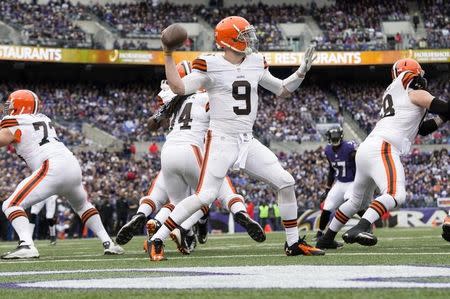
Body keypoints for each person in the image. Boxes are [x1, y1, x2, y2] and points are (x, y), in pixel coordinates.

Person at [148, 16, 324, 261]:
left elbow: (282, 90)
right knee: (205, 196)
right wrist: (168, 55)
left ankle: (293, 243)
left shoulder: (255, 61)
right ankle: (158, 238)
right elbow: (178, 88)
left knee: (285, 181)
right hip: (221, 139)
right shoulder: (209, 64)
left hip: (247, 139)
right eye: (243, 35)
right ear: (229, 41)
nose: (249, 39)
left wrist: (301, 73)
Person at [117, 61, 264, 255]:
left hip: (168, 150)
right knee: (209, 194)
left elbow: (152, 124)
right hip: (193, 149)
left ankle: (150, 220)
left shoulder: (175, 99)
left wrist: (165, 109)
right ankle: (237, 212)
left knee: (172, 201)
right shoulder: (205, 97)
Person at [320, 58, 449, 247]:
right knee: (396, 194)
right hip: (384, 147)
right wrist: (446, 112)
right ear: (414, 74)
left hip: (367, 148)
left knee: (356, 201)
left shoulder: (395, 94)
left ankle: (326, 238)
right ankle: (361, 227)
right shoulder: (414, 92)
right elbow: (445, 108)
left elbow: (422, 129)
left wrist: (443, 118)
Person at [0, 90, 124, 259]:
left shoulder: (16, 120)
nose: (8, 108)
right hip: (71, 165)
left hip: (52, 166)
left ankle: (27, 245)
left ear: (21, 105)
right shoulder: (43, 118)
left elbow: (3, 139)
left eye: (11, 104)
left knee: (10, 205)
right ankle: (108, 243)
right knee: (82, 206)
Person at [315, 126, 361, 249]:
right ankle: (320, 232)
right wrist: (327, 189)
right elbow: (331, 170)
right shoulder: (328, 150)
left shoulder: (350, 147)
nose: (335, 139)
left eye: (336, 136)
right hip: (340, 182)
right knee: (327, 206)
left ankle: (366, 225)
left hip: (353, 181)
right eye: (333, 137)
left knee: (350, 201)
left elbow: (360, 161)